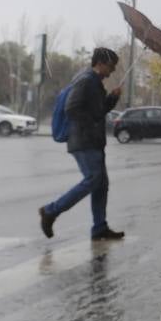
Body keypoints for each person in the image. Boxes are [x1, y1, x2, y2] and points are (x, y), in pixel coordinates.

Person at [39, 47, 125, 241]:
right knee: (93, 180)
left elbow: (98, 109)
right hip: (84, 141)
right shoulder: (86, 80)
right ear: (101, 63)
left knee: (101, 185)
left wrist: (112, 98)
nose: (112, 71)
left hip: (92, 141)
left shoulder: (93, 82)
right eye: (111, 66)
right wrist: (91, 124)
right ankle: (51, 211)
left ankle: (99, 228)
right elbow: (72, 108)